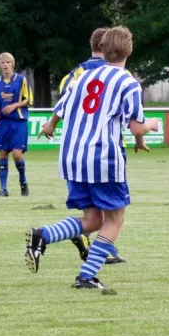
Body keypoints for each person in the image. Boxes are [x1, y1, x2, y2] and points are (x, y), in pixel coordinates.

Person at [24, 26, 159, 289]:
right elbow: (136, 127)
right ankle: (86, 276)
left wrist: (50, 125)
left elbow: (61, 106)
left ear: (103, 49)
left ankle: (43, 235)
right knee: (115, 219)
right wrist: (151, 125)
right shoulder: (128, 83)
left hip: (72, 157)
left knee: (93, 220)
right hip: (102, 158)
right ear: (129, 50)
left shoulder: (82, 77)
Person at [58, 27, 127, 265]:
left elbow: (64, 102)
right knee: (112, 209)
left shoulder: (76, 73)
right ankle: (103, 250)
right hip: (104, 147)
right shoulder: (116, 72)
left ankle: (85, 236)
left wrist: (51, 124)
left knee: (92, 210)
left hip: (75, 147)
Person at [0, 52, 34, 197]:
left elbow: (29, 100)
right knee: (3, 153)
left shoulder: (21, 80)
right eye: (3, 63)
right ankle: (3, 189)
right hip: (4, 122)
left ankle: (23, 181)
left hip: (18, 121)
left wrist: (15, 105)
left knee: (16, 154)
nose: (6, 65)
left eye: (8, 62)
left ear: (12, 64)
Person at [58, 27, 109, 98]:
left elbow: (64, 93)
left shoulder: (80, 71)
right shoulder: (118, 72)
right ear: (111, 46)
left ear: (91, 43)